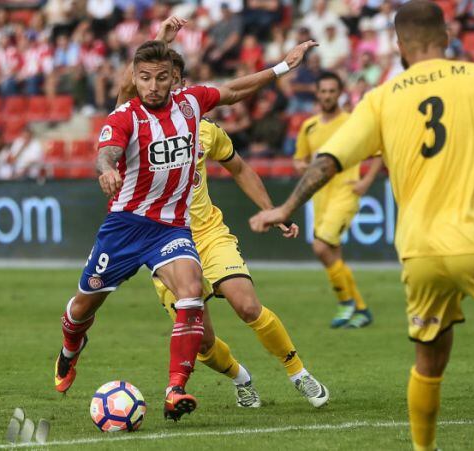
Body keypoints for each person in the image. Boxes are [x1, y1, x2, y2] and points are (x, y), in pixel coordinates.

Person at [251, 2, 474, 450]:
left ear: (399, 45)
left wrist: (286, 207)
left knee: (429, 363)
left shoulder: (382, 97)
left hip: (419, 251)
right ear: (445, 37)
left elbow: (329, 160)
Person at [53, 28, 317, 423]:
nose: (153, 86)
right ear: (135, 78)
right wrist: (106, 169)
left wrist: (281, 66)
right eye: (145, 78)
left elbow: (234, 90)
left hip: (171, 230)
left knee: (191, 293)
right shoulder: (124, 116)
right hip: (124, 228)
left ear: (175, 78)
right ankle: (71, 349)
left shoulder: (192, 105)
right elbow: (106, 152)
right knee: (81, 308)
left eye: (162, 77)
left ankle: (176, 388)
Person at [114, 18, 330, 409]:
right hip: (161, 242)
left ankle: (298, 372)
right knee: (203, 341)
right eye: (153, 78)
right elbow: (126, 88)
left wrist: (273, 209)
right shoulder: (131, 120)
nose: (162, 85)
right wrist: (159, 40)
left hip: (208, 235)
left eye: (169, 77)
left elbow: (241, 164)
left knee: (247, 304)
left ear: (177, 79)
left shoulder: (202, 124)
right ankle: (240, 376)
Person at [293, 71, 383, 328]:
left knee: (321, 247)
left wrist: (366, 181)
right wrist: (302, 166)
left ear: (340, 93)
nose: (328, 95)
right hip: (319, 196)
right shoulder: (308, 126)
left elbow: (378, 151)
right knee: (334, 254)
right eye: (323, 91)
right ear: (317, 94)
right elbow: (300, 158)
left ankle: (345, 302)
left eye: (332, 91)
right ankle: (362, 310)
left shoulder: (352, 122)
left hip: (345, 191)